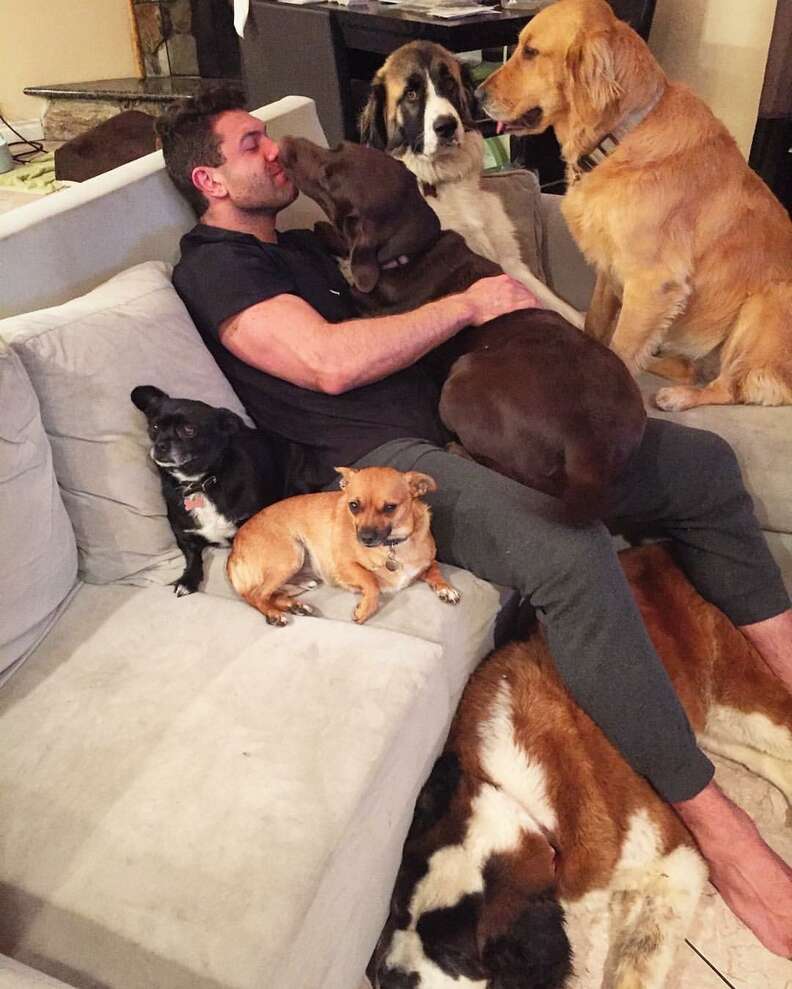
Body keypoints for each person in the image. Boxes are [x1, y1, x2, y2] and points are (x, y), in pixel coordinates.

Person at [157, 87, 792, 956]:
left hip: (474, 419)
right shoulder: (218, 265)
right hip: (386, 464)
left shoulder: (312, 244)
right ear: (209, 177)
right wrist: (467, 306)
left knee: (704, 468)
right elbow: (325, 364)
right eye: (252, 145)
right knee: (567, 552)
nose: (276, 152)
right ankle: (719, 825)